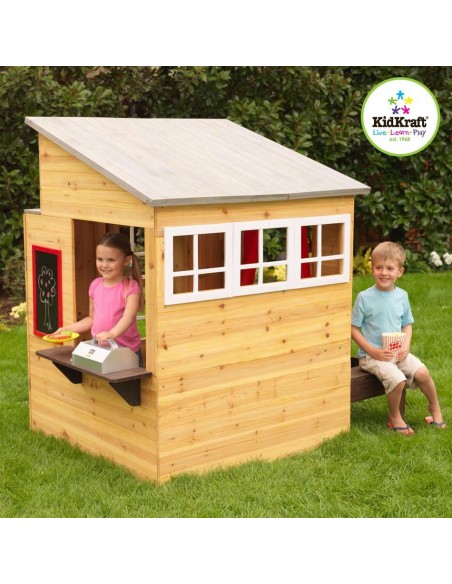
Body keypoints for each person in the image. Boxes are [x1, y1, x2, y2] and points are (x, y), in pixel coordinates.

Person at [351, 241, 446, 435]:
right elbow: (353, 329)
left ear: (400, 272)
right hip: (371, 356)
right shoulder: (364, 297)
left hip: (397, 352)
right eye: (378, 267)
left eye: (389, 268)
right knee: (397, 379)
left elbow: (406, 325)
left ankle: (434, 408)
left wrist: (406, 346)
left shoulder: (402, 296)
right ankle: (394, 416)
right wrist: (373, 351)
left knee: (422, 373)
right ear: (372, 269)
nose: (383, 273)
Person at [56, 232, 144, 366]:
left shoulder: (130, 288)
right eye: (100, 259)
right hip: (100, 351)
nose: (104, 265)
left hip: (126, 353)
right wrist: (68, 329)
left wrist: (111, 334)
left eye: (111, 260)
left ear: (126, 261)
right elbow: (92, 319)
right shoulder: (95, 285)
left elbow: (128, 317)